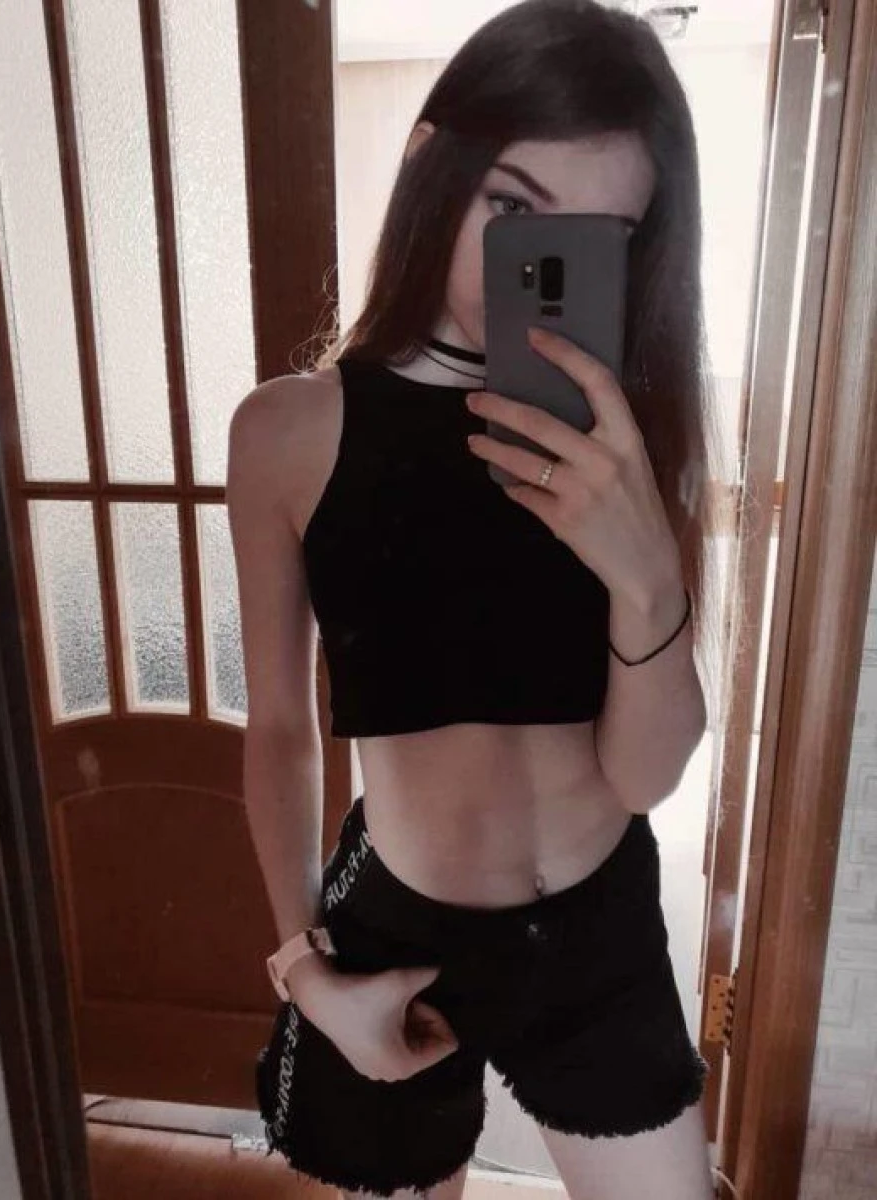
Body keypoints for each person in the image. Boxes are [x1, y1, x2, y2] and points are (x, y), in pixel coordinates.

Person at [226, 1, 722, 1196]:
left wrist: (645, 567)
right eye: (513, 207)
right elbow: (281, 728)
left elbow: (646, 775)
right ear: (430, 164)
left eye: (599, 235)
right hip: (401, 935)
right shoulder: (288, 432)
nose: (539, 266)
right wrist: (303, 969)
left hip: (599, 926)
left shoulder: (625, 439)